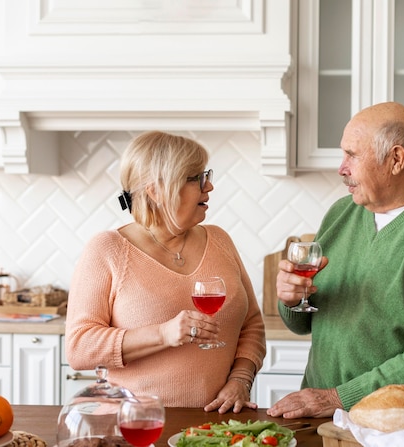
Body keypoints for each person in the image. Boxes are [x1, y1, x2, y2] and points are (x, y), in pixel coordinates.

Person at [267, 102, 404, 418]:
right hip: (320, 412)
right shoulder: (341, 213)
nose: (342, 168)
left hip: (401, 418)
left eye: (352, 155)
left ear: (396, 160)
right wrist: (291, 298)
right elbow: (303, 324)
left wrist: (340, 397)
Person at [65, 131, 266, 414]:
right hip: (139, 427)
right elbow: (79, 348)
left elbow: (252, 325)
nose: (209, 186)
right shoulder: (107, 249)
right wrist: (163, 334)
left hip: (219, 427)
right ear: (156, 190)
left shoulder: (220, 239)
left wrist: (240, 380)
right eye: (196, 178)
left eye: (206, 175)